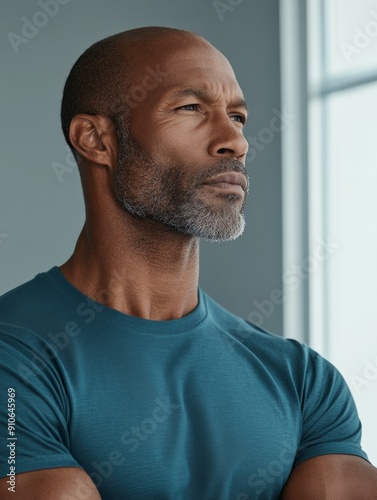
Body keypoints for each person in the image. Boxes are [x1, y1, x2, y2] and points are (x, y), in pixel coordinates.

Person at [0, 26, 376, 500]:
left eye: (237, 116)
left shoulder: (303, 380)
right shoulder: (12, 359)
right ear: (96, 140)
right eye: (191, 108)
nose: (235, 142)